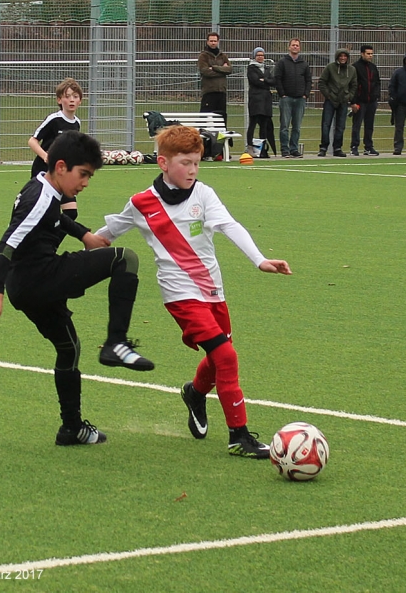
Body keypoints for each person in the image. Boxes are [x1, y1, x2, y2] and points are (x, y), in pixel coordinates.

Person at [95, 125, 292, 459]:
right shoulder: (142, 203)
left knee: (218, 360)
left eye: (197, 163)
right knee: (226, 356)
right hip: (180, 295)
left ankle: (195, 393)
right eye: (185, 163)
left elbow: (229, 225)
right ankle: (239, 437)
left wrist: (259, 260)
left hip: (213, 290)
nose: (192, 170)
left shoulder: (203, 194)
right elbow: (105, 236)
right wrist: (66, 247)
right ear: (163, 163)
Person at [0, 131, 155, 447]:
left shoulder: (41, 186)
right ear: (61, 167)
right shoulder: (40, 197)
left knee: (68, 347)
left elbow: (55, 219)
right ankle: (116, 342)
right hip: (41, 278)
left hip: (25, 288)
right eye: (83, 174)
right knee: (124, 259)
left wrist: (85, 235)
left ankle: (71, 428)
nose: (85, 182)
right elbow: (6, 245)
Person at [29, 78, 83, 220]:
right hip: (44, 172)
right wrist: (46, 156)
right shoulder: (54, 120)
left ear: (80, 101)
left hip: (63, 174)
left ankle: (53, 236)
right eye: (67, 96)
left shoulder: (77, 123)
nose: (71, 100)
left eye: (75, 96)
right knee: (43, 213)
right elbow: (32, 141)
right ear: (59, 100)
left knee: (71, 213)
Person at [274, 38, 313, 157]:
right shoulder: (282, 62)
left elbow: (308, 80)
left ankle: (294, 149)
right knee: (284, 126)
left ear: (299, 48)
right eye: (293, 45)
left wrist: (305, 94)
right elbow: (277, 78)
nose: (295, 47)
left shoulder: (304, 64)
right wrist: (282, 94)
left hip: (300, 99)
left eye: (297, 45)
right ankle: (285, 150)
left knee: (297, 127)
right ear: (289, 47)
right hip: (286, 98)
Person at [317, 48, 358, 157]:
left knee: (341, 126)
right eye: (341, 56)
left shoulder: (352, 70)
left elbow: (354, 85)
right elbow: (322, 82)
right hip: (330, 100)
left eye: (345, 56)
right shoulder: (330, 67)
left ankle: (337, 148)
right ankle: (323, 147)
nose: (343, 58)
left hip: (343, 100)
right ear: (337, 57)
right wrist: (328, 95)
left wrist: (349, 96)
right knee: (326, 124)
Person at [350, 45, 381, 156]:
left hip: (371, 101)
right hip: (360, 101)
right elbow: (353, 85)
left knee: (369, 125)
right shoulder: (355, 67)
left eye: (371, 54)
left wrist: (376, 96)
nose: (370, 56)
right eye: (368, 54)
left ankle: (368, 147)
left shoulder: (373, 67)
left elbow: (377, 82)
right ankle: (354, 146)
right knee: (357, 125)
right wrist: (353, 102)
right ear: (362, 54)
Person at [246, 47, 277, 158]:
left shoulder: (267, 68)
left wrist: (265, 80)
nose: (260, 57)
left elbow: (273, 81)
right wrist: (266, 81)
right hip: (255, 99)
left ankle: (262, 149)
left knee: (264, 125)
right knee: (253, 123)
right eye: (258, 55)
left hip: (266, 100)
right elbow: (255, 81)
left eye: (262, 55)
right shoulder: (251, 68)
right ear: (254, 56)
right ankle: (250, 147)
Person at [198, 32, 233, 128]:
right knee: (205, 119)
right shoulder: (203, 56)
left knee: (221, 120)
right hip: (209, 92)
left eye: (215, 41)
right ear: (207, 42)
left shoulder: (223, 56)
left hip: (221, 91)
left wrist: (214, 68)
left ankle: (220, 137)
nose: (213, 43)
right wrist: (222, 70)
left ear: (218, 42)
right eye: (211, 41)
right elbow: (205, 71)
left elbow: (229, 69)